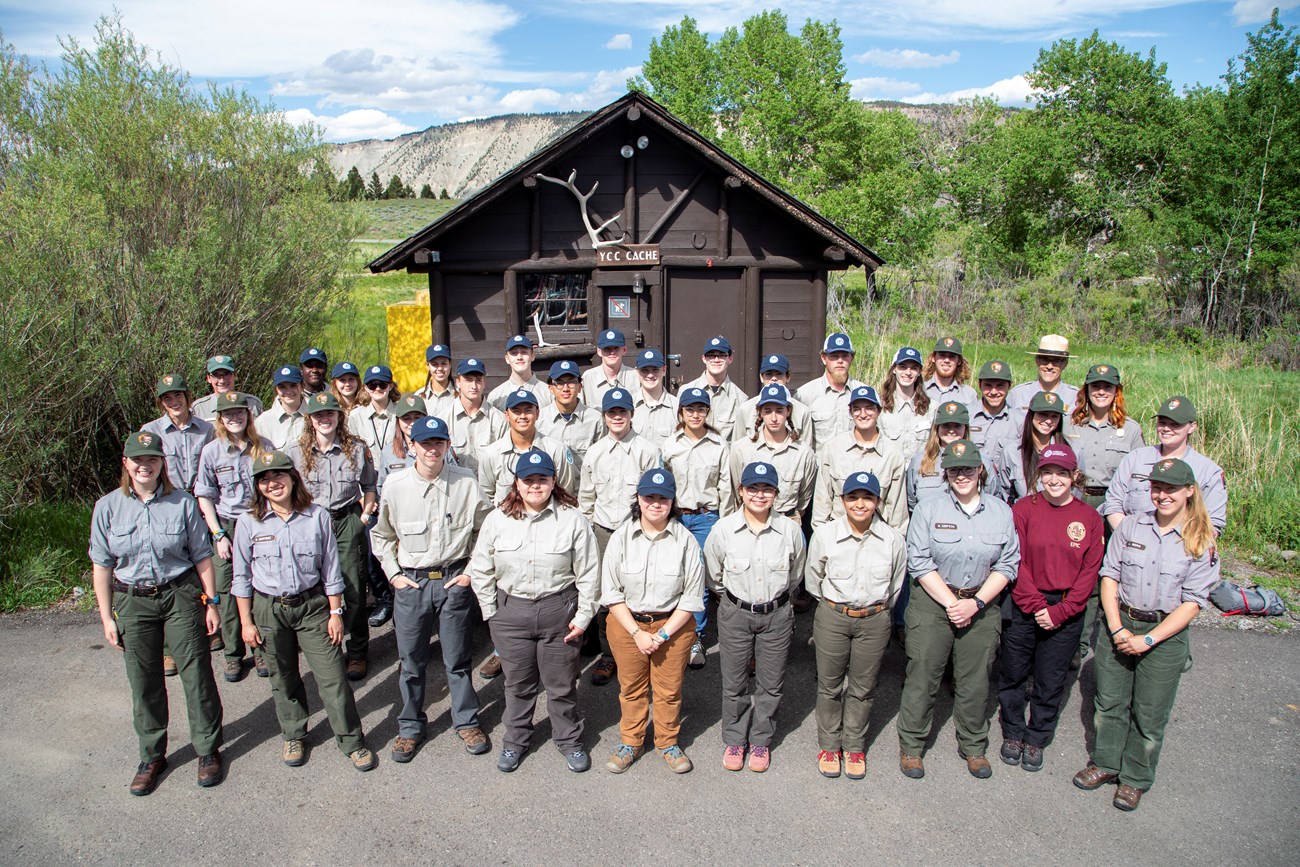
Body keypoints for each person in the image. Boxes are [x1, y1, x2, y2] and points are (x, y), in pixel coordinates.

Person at [1073, 457, 1220, 812]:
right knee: (1109, 702)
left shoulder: (1202, 539)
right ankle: (1106, 764)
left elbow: (1193, 603)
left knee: (1150, 712)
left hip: (1164, 633)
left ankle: (1135, 778)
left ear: (1189, 491)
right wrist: (1117, 627)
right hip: (1121, 623)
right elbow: (1110, 577)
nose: (1162, 495)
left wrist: (1149, 639)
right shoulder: (1131, 527)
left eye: (1170, 488)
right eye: (1156, 487)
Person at [90, 431, 225, 796]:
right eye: (137, 459)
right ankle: (152, 755)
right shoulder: (108, 507)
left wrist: (211, 602)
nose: (144, 465)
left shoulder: (181, 503)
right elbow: (102, 566)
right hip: (133, 602)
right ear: (125, 464)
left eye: (151, 458)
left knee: (196, 673)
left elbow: (201, 556)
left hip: (180, 595)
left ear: (161, 462)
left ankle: (207, 749)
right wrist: (106, 617)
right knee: (144, 679)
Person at [232, 450, 377, 772]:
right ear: (257, 486)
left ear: (292, 478)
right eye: (265, 479)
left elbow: (330, 571)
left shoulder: (317, 516)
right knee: (283, 679)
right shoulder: (247, 522)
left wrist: (336, 613)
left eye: (278, 476)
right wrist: (246, 622)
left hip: (313, 608)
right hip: (269, 609)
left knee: (333, 677)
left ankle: (351, 740)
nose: (273, 484)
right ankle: (294, 733)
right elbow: (240, 577)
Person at [468, 449, 600, 773]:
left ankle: (569, 739)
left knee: (561, 684)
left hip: (559, 612)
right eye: (529, 480)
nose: (536, 486)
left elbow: (589, 573)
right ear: (517, 483)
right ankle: (515, 741)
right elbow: (481, 568)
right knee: (518, 684)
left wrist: (583, 618)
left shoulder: (572, 520)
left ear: (554, 481)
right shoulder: (498, 520)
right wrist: (491, 613)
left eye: (543, 479)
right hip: (511, 614)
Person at [372, 416, 493, 764]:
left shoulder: (465, 483)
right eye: (424, 443)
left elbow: (486, 532)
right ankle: (410, 726)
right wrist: (393, 574)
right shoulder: (395, 486)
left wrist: (470, 572)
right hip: (412, 585)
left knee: (457, 660)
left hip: (454, 581)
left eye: (438, 442)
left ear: (446, 445)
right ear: (411, 446)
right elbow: (381, 536)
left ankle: (466, 721)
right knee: (411, 662)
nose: (431, 449)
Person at [898, 440, 1019, 780]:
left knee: (975, 679)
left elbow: (1008, 564)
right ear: (946, 474)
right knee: (923, 674)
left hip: (980, 602)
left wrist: (976, 603)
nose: (961, 475)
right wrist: (953, 604)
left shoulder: (1000, 512)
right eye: (954, 470)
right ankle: (912, 746)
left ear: (980, 469)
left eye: (968, 468)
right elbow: (919, 561)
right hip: (935, 601)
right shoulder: (929, 509)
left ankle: (974, 746)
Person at [997, 444, 1103, 773]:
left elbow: (1089, 574)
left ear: (1074, 476)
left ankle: (1038, 734)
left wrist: (1060, 611)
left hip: (1066, 608)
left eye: (1062, 473)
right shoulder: (1023, 509)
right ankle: (1013, 731)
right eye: (1047, 473)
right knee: (1014, 672)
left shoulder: (1089, 518)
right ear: (1038, 474)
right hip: (1025, 600)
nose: (1054, 480)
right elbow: (1016, 559)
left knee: (1050, 677)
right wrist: (1035, 604)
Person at [601, 469, 705, 775]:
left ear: (673, 502)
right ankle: (631, 742)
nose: (656, 503)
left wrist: (660, 635)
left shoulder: (685, 540)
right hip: (626, 624)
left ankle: (667, 742)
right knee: (631, 688)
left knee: (668, 690)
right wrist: (636, 632)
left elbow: (691, 596)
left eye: (663, 497)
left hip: (672, 625)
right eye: (650, 497)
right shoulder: (621, 538)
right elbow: (610, 591)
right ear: (638, 498)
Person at [704, 461, 806, 773]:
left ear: (776, 493)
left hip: (776, 614)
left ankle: (760, 739)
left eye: (766, 489)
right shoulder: (724, 529)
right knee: (734, 682)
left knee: (771, 683)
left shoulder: (789, 530)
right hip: (735, 612)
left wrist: (776, 600)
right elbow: (713, 576)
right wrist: (734, 599)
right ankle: (735, 738)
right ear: (741, 491)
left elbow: (795, 574)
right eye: (753, 488)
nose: (759, 495)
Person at [805, 471, 905, 780]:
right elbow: (814, 578)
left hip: (874, 619)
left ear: (878, 501)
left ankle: (854, 745)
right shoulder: (826, 535)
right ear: (842, 500)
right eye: (853, 497)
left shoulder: (892, 539)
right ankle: (829, 745)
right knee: (830, 685)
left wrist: (878, 612)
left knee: (863, 687)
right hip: (834, 615)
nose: (860, 504)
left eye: (867, 497)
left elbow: (896, 585)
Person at [285, 392, 378, 681]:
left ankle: (358, 651)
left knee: (353, 586)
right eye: (318, 415)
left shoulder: (357, 448)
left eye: (330, 413)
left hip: (346, 521)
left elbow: (370, 486)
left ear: (339, 416)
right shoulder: (294, 452)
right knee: (315, 588)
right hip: (310, 524)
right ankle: (327, 647)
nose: (325, 419)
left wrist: (362, 518)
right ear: (310, 420)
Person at [579, 388, 663, 686]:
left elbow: (656, 496)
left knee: (640, 589)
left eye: (622, 412)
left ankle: (643, 647)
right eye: (612, 412)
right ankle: (608, 655)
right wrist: (589, 532)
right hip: (603, 530)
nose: (617, 417)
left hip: (636, 531)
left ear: (631, 414)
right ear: (604, 417)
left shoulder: (647, 450)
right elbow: (587, 498)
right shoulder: (595, 452)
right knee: (606, 596)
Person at [1065, 363, 1145, 666]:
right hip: (1077, 502)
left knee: (1102, 577)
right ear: (1086, 390)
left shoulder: (1132, 430)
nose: (1101, 392)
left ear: (1116, 392)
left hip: (1112, 507)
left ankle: (1083, 644)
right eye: (1095, 386)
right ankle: (1067, 639)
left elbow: (1139, 478)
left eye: (1107, 387)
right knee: (1073, 575)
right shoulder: (1070, 424)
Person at [194, 392, 271, 682]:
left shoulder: (263, 446)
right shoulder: (212, 451)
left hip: (259, 524)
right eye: (228, 414)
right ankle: (233, 655)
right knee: (227, 592)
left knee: (260, 588)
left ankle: (260, 649)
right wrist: (218, 534)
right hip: (226, 526)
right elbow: (204, 496)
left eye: (240, 413)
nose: (235, 418)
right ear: (221, 419)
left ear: (248, 415)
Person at [661, 387, 736, 670]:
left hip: (706, 518)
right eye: (689, 409)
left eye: (701, 409)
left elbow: (725, 487)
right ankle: (672, 630)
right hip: (677, 518)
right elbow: (664, 485)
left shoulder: (719, 446)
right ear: (681, 413)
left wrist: (724, 523)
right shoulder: (670, 445)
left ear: (707, 412)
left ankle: (696, 636)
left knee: (701, 579)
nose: (695, 414)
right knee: (675, 576)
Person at [1103, 395, 1227, 534]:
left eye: (1175, 424)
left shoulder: (1208, 471)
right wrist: (1132, 538)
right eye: (1162, 422)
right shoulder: (1135, 459)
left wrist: (1174, 547)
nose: (1166, 428)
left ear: (1192, 427)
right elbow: (1113, 504)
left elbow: (1213, 524)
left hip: (1182, 549)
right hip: (1132, 545)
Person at [350, 364, 402, 628]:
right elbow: (352, 458)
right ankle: (384, 598)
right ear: (366, 388)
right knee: (373, 554)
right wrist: (363, 497)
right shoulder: (356, 417)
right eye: (372, 385)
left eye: (383, 384)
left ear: (391, 386)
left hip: (400, 491)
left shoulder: (401, 412)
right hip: (370, 494)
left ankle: (402, 600)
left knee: (401, 550)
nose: (378, 390)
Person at [812, 385, 906, 531]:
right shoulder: (833, 449)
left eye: (869, 408)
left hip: (877, 535)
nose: (863, 414)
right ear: (850, 412)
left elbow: (897, 510)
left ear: (878, 411)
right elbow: (822, 501)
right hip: (838, 535)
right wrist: (821, 537)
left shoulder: (892, 454)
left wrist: (895, 542)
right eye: (857, 409)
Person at [729, 384, 817, 523]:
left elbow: (804, 497)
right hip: (750, 520)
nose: (774, 418)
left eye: (780, 410)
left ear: (788, 411)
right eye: (768, 411)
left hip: (788, 520)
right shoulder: (741, 449)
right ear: (760, 412)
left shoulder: (804, 452)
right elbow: (736, 489)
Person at [478, 389, 577, 505]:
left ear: (537, 414)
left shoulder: (556, 450)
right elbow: (486, 497)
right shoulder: (492, 454)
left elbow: (565, 494)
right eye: (516, 411)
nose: (523, 416)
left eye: (528, 410)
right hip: (507, 521)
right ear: (507, 415)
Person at [143, 373, 214, 495]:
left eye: (178, 395)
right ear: (161, 402)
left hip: (201, 498)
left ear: (187, 396)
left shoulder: (206, 429)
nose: (174, 402)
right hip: (166, 498)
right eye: (167, 398)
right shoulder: (150, 431)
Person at [795, 332, 865, 454]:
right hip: (821, 471)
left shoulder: (864, 393)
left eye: (845, 356)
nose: (840, 361)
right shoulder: (804, 395)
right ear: (823, 358)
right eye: (834, 356)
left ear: (852, 358)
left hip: (855, 468)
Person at [439, 358, 506, 477]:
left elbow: (503, 462)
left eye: (478, 380)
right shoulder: (443, 419)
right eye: (468, 380)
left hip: (488, 491)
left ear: (484, 383)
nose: (474, 386)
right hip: (455, 488)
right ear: (458, 382)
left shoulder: (499, 420)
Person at [733, 354, 815, 449]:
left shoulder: (803, 411)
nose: (774, 378)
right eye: (768, 374)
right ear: (761, 377)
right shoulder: (745, 409)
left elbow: (806, 450)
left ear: (788, 377)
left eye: (779, 374)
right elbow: (737, 448)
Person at [537, 359, 603, 474]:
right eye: (559, 383)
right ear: (550, 388)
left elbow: (601, 461)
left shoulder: (595, 420)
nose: (566, 388)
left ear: (580, 387)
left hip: (583, 489)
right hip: (551, 489)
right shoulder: (539, 420)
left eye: (571, 382)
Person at [1007, 391, 1070, 501]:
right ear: (1031, 415)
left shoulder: (1072, 450)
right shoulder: (1012, 451)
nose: (1049, 421)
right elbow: (1005, 491)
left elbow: (1077, 491)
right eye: (1043, 414)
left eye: (1054, 416)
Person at [683, 336, 748, 436]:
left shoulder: (740, 399)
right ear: (704, 358)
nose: (716, 359)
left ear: (730, 359)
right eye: (711, 355)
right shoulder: (686, 391)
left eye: (722, 355)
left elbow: (739, 439)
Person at [878, 346, 932, 462]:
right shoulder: (879, 406)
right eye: (902, 367)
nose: (908, 372)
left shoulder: (932, 408)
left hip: (920, 474)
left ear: (919, 372)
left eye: (913, 368)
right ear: (894, 369)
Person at [966, 359, 1021, 471]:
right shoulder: (966, 416)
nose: (994, 392)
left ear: (1009, 386)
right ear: (979, 385)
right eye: (988, 386)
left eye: (1000, 386)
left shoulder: (1020, 421)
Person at [1008, 335, 1079, 412]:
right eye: (1044, 360)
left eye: (1056, 361)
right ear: (1037, 361)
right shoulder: (1018, 394)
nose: (1049, 366)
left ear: (1064, 364)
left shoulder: (1076, 397)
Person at [487, 335, 553, 412]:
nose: (519, 357)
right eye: (514, 353)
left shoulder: (549, 394)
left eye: (524, 352)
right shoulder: (496, 397)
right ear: (507, 359)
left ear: (532, 356)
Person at [631, 348, 679, 448]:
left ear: (664, 370)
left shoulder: (677, 407)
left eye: (655, 370)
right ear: (637, 372)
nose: (650, 375)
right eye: (644, 370)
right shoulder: (628, 406)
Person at [191, 355, 264, 421]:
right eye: (216, 375)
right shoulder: (199, 409)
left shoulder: (253, 404)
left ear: (235, 375)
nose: (222, 380)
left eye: (226, 374)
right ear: (209, 378)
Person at [581, 329, 638, 407]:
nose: (612, 352)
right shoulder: (588, 378)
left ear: (624, 350)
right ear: (599, 351)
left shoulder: (636, 378)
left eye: (616, 348)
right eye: (607, 349)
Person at [258, 366, 307, 450]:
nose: (288, 391)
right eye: (282, 387)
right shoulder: (263, 422)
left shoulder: (314, 416)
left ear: (302, 385)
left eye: (293, 385)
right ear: (276, 389)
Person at [923, 337, 976, 406]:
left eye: (952, 356)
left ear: (959, 361)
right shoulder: (919, 389)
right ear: (933, 358)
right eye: (942, 355)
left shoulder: (969, 394)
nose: (947, 360)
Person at [417, 343, 457, 420]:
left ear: (450, 364)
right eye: (434, 364)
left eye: (444, 364)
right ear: (428, 366)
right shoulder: (419, 397)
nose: (439, 368)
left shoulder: (461, 395)